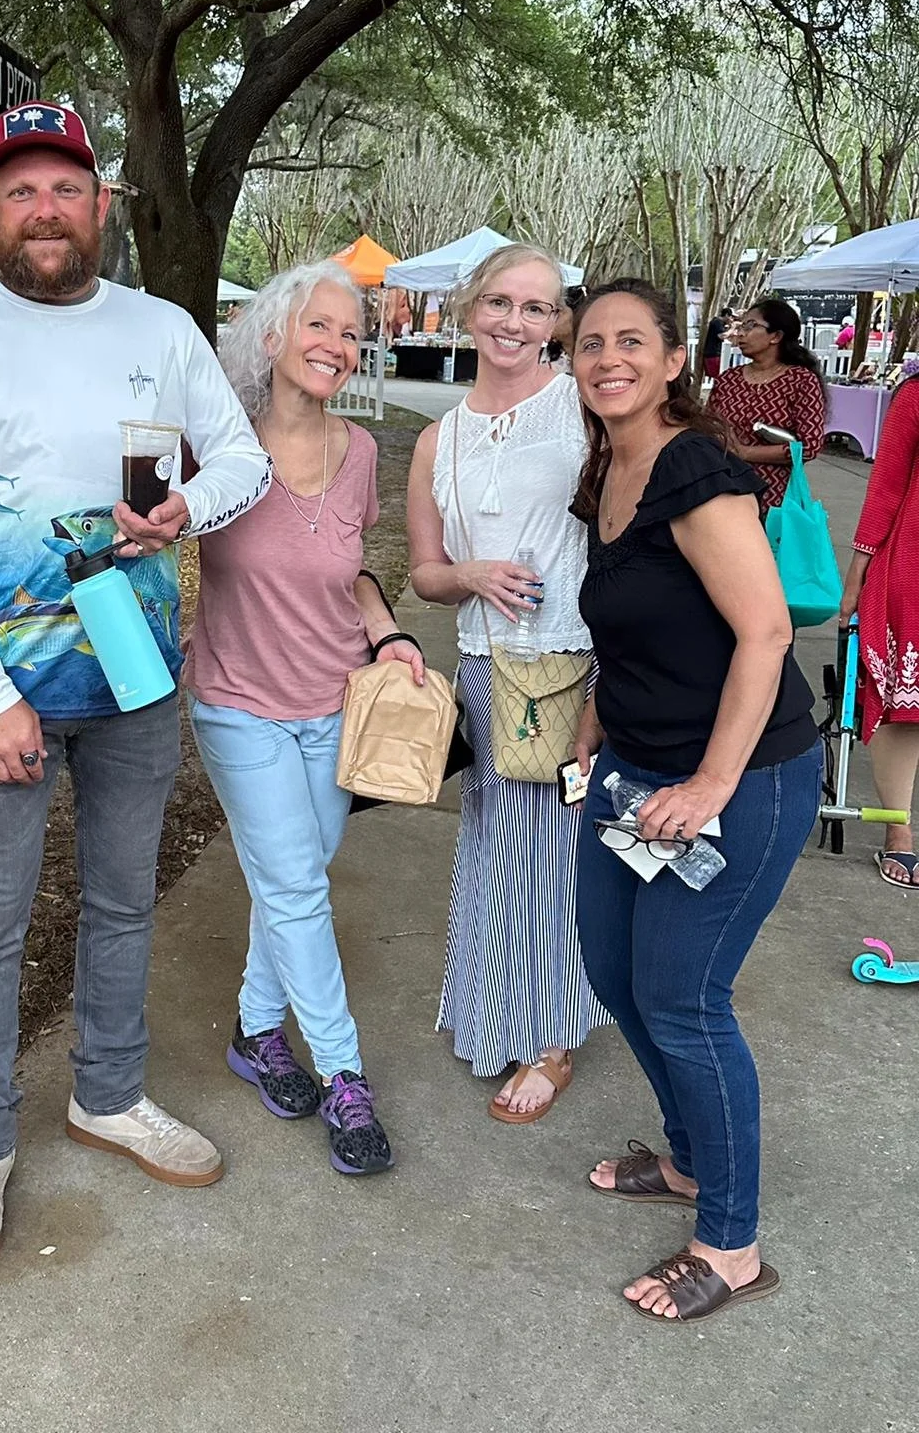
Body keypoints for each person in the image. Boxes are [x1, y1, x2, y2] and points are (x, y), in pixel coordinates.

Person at [0, 101, 271, 1274]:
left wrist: (183, 511)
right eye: (20, 191)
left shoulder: (159, 327)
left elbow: (242, 458)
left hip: (138, 680)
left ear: (100, 207)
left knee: (120, 901)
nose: (44, 210)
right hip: (1, 687)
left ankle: (107, 1095)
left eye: (65, 189)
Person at [569, 278, 821, 1323]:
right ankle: (684, 1158)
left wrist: (711, 782)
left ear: (675, 361)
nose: (607, 358)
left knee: (684, 999)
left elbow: (764, 631)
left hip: (743, 776)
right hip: (629, 764)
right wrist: (593, 719)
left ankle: (729, 1242)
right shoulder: (608, 464)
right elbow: (635, 621)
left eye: (631, 342)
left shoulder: (692, 467)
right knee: (614, 973)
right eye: (588, 343)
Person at [184, 261, 422, 1177]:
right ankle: (345, 1074)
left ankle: (254, 1031)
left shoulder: (360, 453)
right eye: (320, 325)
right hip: (239, 703)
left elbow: (352, 572)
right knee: (295, 890)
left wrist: (391, 634)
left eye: (352, 332)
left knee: (294, 885)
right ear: (275, 337)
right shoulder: (220, 450)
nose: (337, 343)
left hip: (336, 705)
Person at [406, 244, 609, 1123]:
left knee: (556, 855)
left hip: (573, 663)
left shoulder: (584, 407)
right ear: (469, 306)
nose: (514, 322)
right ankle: (497, 1010)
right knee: (494, 842)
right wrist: (472, 576)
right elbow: (423, 572)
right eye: (499, 302)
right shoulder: (436, 438)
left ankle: (554, 1037)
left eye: (535, 307)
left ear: (557, 319)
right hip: (488, 670)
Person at [840, 373, 919, 886]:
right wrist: (856, 574)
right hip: (913, 566)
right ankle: (900, 830)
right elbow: (886, 484)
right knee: (906, 709)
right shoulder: (916, 395)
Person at [707, 298, 826, 511]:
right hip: (721, 489)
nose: (741, 333)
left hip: (773, 499)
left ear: (776, 336)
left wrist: (745, 453)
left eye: (751, 326)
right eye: (741, 326)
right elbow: (706, 425)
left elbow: (809, 447)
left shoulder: (801, 381)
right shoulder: (728, 379)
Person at [701, 307, 732, 383]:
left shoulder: (718, 323)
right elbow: (722, 335)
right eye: (731, 317)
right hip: (713, 354)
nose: (731, 319)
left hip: (713, 354)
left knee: (718, 377)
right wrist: (732, 328)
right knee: (719, 377)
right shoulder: (717, 322)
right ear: (727, 315)